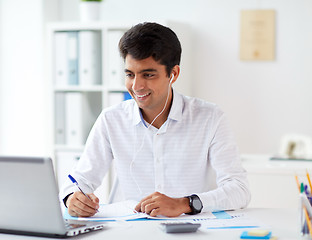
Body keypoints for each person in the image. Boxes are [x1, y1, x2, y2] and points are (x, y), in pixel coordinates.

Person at [60, 22, 251, 218]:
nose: (137, 86)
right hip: (127, 231)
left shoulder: (210, 118)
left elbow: (239, 190)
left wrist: (184, 203)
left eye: (148, 75)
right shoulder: (111, 120)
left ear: (173, 74)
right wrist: (72, 199)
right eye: (130, 74)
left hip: (190, 232)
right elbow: (77, 181)